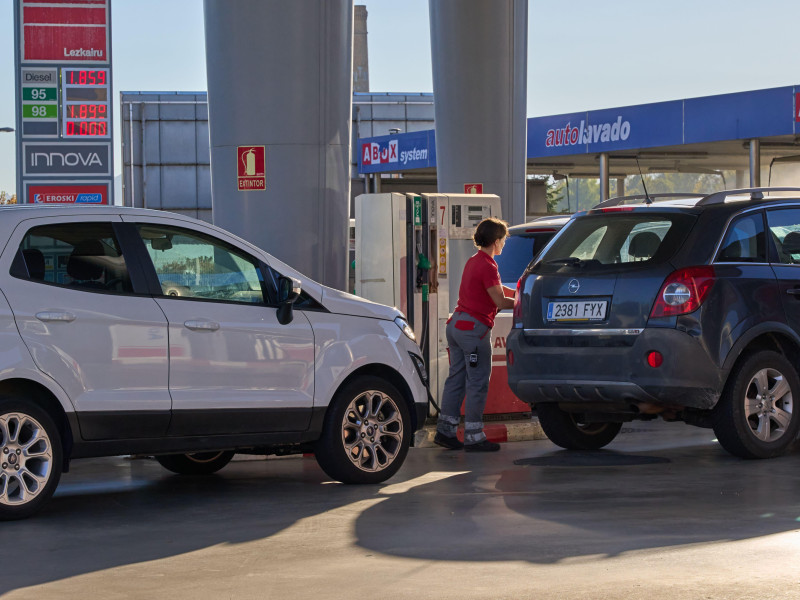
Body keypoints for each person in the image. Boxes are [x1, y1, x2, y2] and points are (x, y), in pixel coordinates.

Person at [434, 217, 515, 452]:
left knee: (456, 379)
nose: (504, 245)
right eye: (503, 240)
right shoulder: (488, 265)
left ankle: (445, 431)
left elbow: (497, 288)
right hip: (474, 332)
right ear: (497, 241)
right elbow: (499, 299)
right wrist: (524, 302)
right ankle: (474, 436)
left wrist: (519, 290)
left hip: (456, 326)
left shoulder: (475, 261)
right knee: (477, 382)